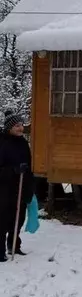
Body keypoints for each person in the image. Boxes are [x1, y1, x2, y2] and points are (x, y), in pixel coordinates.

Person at [0, 111, 34, 261]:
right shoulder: (2, 143)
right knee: (2, 219)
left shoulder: (23, 143)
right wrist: (13, 170)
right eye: (17, 126)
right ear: (9, 128)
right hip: (4, 189)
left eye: (21, 125)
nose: (21, 128)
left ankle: (13, 245)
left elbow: (29, 166)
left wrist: (30, 186)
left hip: (20, 186)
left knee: (18, 218)